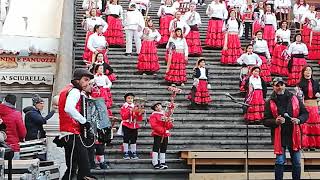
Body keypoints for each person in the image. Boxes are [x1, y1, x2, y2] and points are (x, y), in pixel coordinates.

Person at [263, 77, 308, 180]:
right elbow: (265, 120)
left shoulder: (294, 98)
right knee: (279, 162)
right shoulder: (269, 102)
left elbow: (305, 113)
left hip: (294, 134)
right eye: (277, 85)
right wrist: (275, 121)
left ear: (285, 85)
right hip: (280, 136)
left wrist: (299, 120)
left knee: (296, 162)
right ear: (273, 87)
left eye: (281, 84)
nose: (280, 87)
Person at [58, 68, 96, 180]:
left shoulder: (66, 90)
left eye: (88, 80)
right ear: (77, 80)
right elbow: (68, 108)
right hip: (72, 132)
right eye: (85, 80)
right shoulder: (74, 91)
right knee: (83, 167)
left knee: (72, 168)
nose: (87, 83)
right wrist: (84, 122)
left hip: (67, 133)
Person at [298, 66, 320, 149]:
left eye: (309, 70)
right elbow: (299, 96)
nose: (308, 72)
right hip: (305, 106)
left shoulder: (316, 82)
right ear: (303, 72)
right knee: (306, 125)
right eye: (306, 70)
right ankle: (306, 144)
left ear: (312, 72)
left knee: (315, 125)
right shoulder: (300, 83)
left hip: (314, 106)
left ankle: (315, 144)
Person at [0, 94, 26, 160]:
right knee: (13, 168)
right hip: (12, 148)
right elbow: (22, 133)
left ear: (4, 100)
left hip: (1, 147)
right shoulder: (16, 114)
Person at [119, 93, 144, 160]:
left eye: (131, 98)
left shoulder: (136, 107)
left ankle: (133, 152)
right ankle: (126, 152)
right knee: (126, 138)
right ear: (126, 99)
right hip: (126, 124)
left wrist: (139, 113)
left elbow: (139, 119)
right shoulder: (123, 107)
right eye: (128, 98)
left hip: (134, 125)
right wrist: (130, 111)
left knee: (134, 139)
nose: (130, 99)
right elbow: (123, 116)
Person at [149, 102, 173, 169]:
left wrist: (168, 122)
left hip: (165, 133)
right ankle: (155, 162)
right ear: (155, 109)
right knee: (156, 147)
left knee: (163, 148)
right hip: (158, 133)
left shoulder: (165, 114)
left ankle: (162, 161)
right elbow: (154, 125)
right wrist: (162, 130)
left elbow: (169, 126)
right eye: (156, 106)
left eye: (159, 105)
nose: (158, 107)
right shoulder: (153, 115)